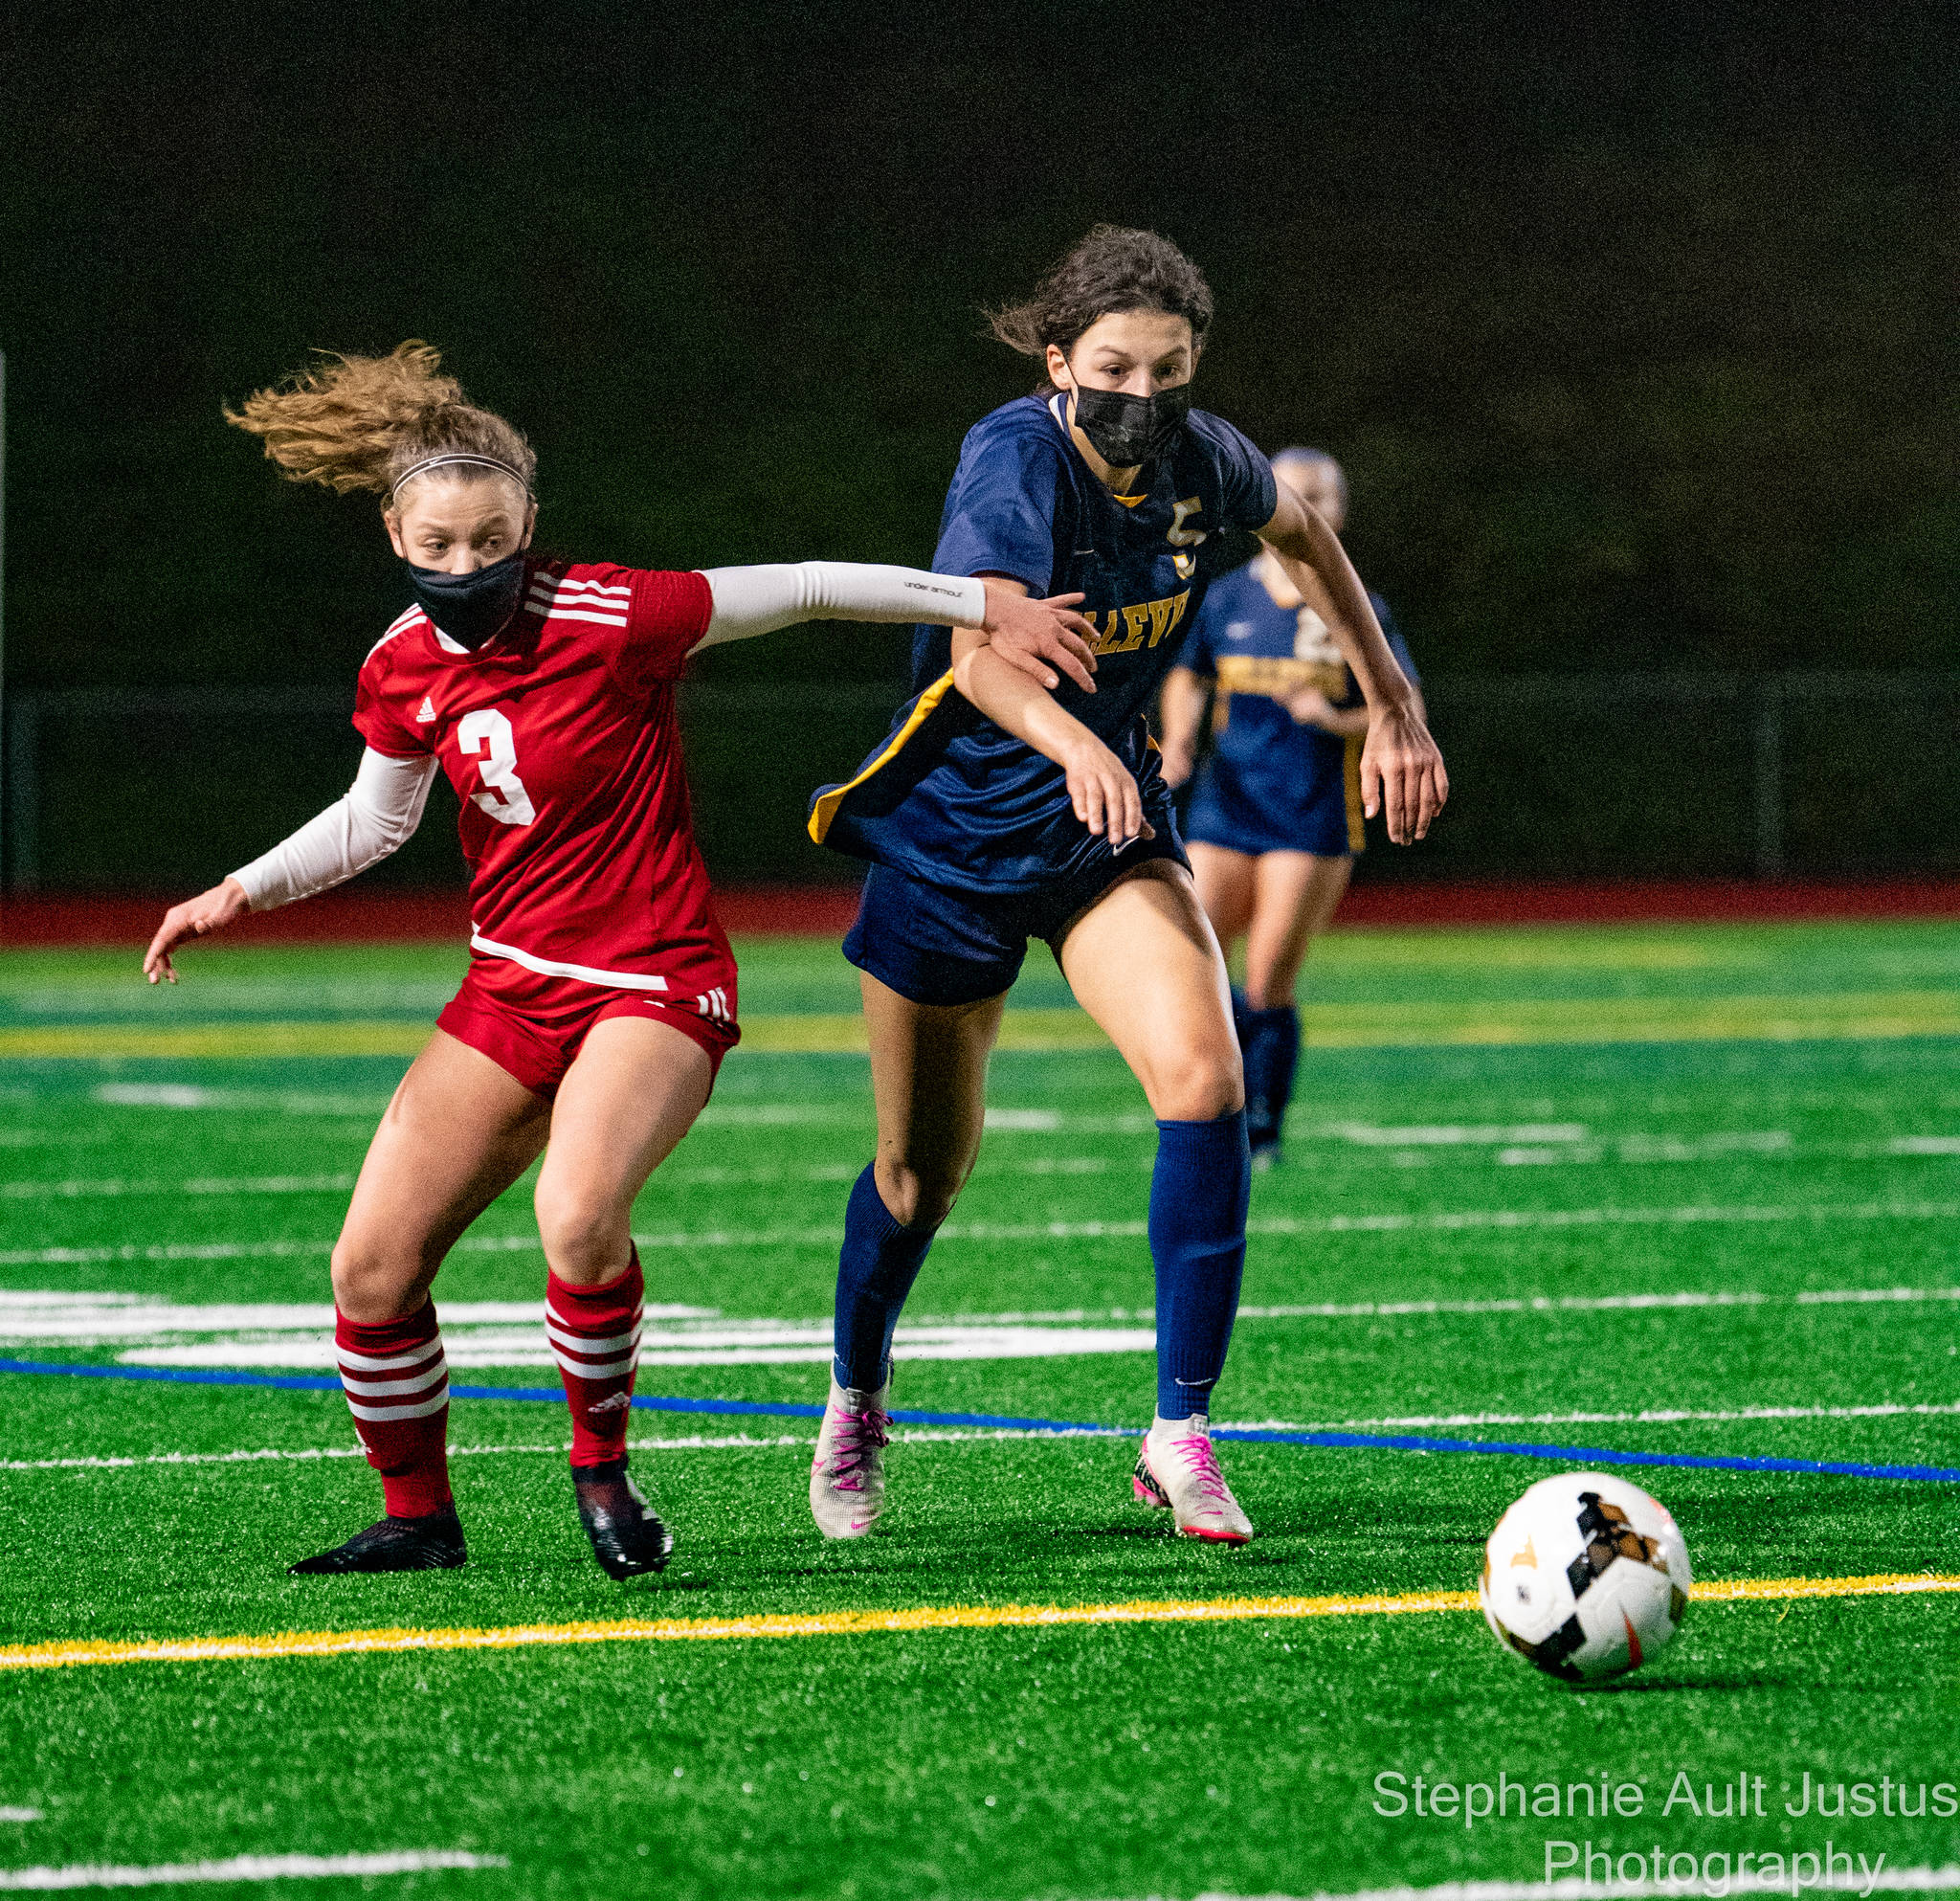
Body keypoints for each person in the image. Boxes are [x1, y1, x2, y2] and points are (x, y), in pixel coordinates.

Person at [142, 343, 1097, 1579]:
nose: (460, 568)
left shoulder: (614, 614)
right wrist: (236, 890)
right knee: (370, 1267)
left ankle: (603, 1479)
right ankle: (419, 1518)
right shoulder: (400, 662)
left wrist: (984, 602)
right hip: (506, 986)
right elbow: (378, 818)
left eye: (486, 542)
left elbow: (805, 583)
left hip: (652, 978)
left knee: (577, 1214)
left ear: (527, 523)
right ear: (392, 529)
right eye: (432, 547)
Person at [804, 228, 1446, 1546]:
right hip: (959, 837)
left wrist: (1394, 707)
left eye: (1169, 370)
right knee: (920, 1173)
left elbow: (1310, 534)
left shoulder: (1207, 461)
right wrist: (1080, 738)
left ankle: (1179, 1431)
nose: (1141, 396)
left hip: (1106, 832)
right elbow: (981, 657)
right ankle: (858, 1394)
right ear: (1058, 361)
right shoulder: (1013, 456)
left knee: (1206, 1082)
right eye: (1112, 368)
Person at [1160, 448, 1426, 1168]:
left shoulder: (1356, 607)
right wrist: (1179, 740)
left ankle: (1262, 1128)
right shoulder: (1226, 596)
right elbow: (1188, 675)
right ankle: (1210, 1107)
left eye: (1325, 495)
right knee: (1199, 966)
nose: (1312, 506)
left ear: (1339, 512)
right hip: (1225, 806)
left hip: (1310, 814)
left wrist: (1331, 718)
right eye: (1296, 492)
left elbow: (1403, 714)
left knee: (1267, 978)